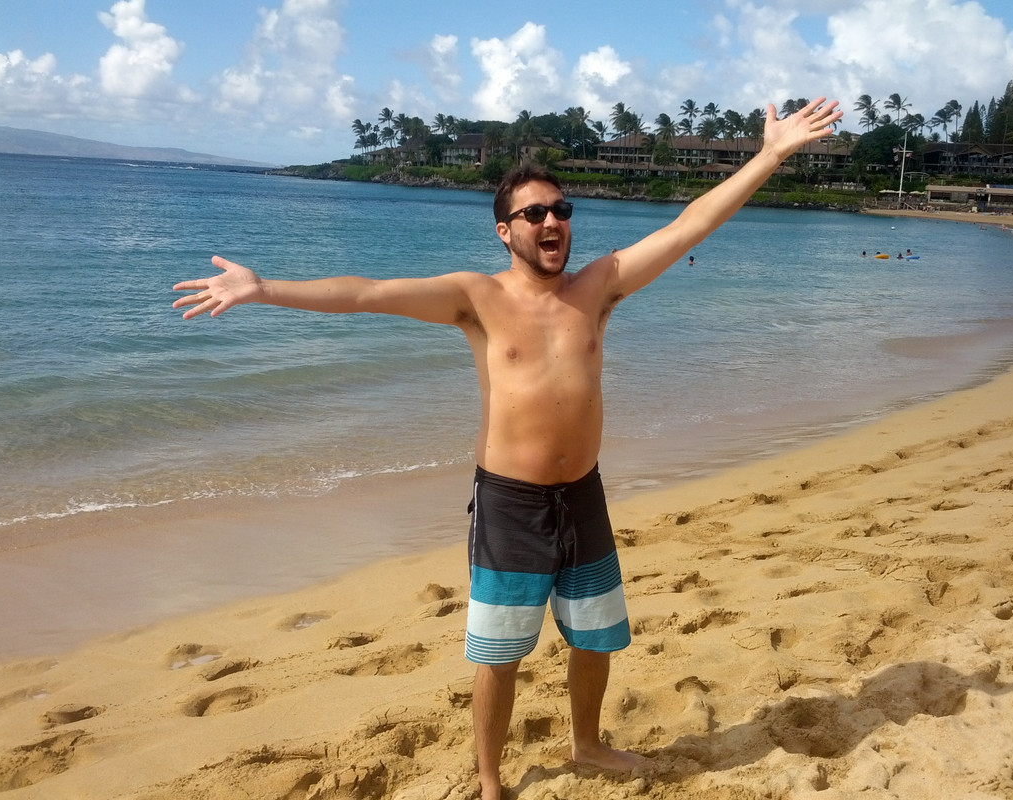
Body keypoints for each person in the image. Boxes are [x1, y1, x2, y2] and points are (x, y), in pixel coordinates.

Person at [173, 97, 841, 800]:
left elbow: (688, 225)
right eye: (534, 214)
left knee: (593, 638)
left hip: (581, 496)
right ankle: (490, 780)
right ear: (505, 231)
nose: (553, 222)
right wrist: (265, 288)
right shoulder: (475, 298)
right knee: (499, 656)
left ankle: (586, 745)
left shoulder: (599, 288)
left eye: (561, 210)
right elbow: (367, 292)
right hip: (510, 506)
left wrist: (769, 156)